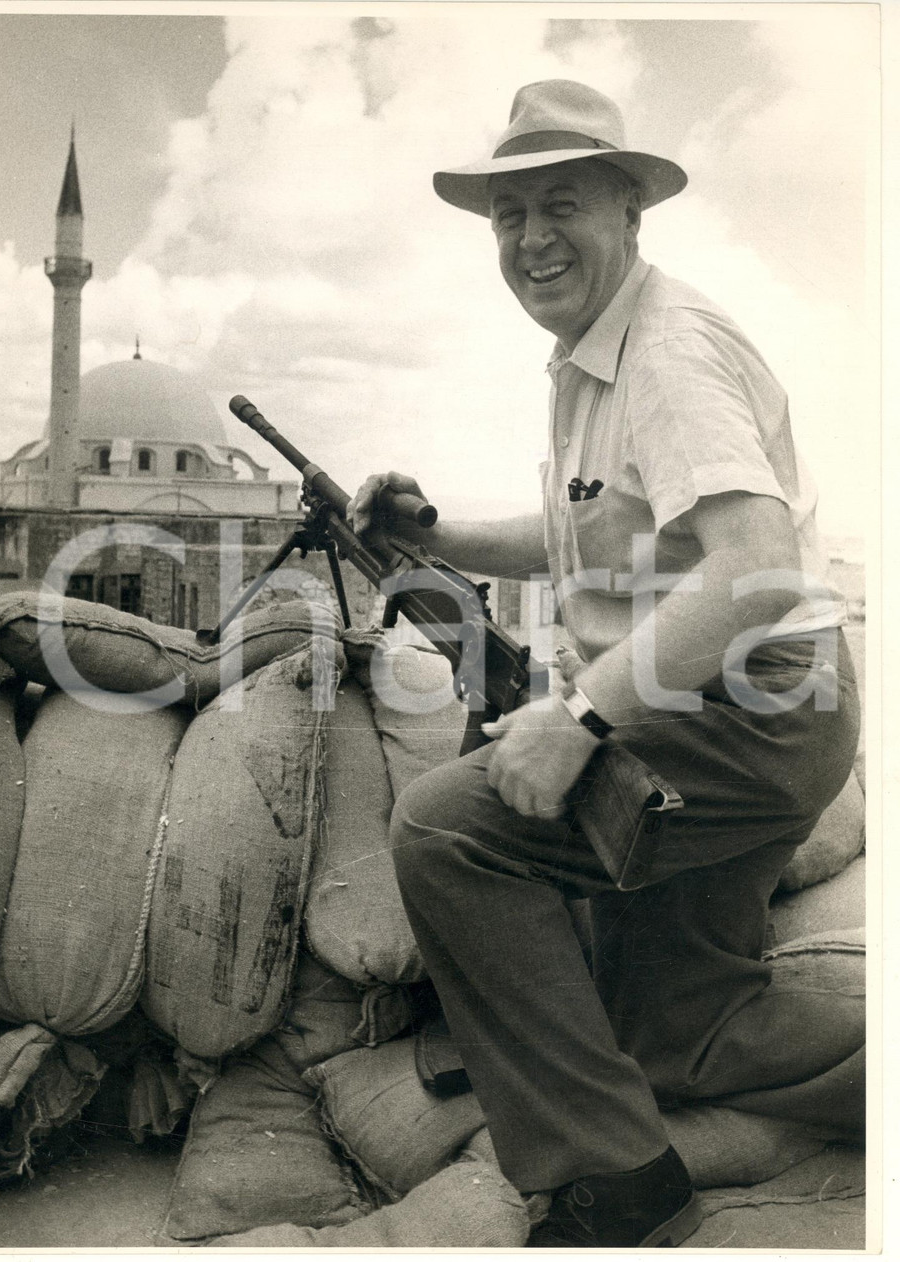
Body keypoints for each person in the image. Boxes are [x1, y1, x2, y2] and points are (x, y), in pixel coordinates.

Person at [347, 80, 860, 1248]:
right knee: (679, 1029)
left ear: (631, 209)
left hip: (750, 706)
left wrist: (574, 717)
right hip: (737, 704)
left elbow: (755, 567)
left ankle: (615, 1180)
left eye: (561, 204)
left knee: (446, 826)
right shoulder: (594, 357)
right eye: (508, 215)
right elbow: (586, 533)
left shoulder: (668, 353)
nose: (531, 240)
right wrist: (425, 537)